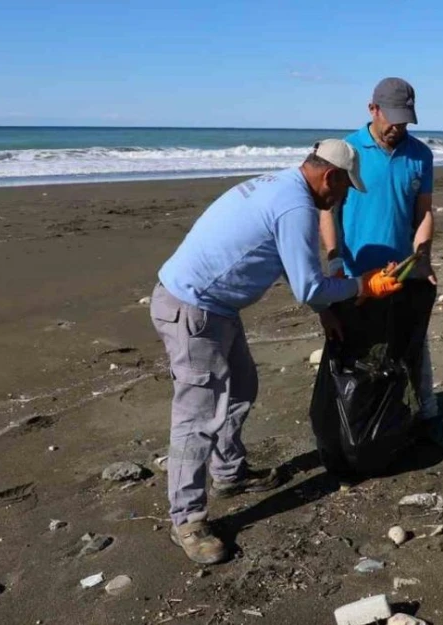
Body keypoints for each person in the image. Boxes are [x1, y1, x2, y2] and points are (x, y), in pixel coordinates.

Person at [151, 139, 404, 565]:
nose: (341, 199)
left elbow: (291, 262)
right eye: (343, 190)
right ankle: (187, 519)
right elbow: (306, 284)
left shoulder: (281, 186)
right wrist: (363, 285)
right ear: (330, 177)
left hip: (215, 306)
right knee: (197, 418)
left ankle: (229, 473)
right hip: (193, 311)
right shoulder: (296, 206)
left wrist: (324, 311)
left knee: (242, 387)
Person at [319, 77, 443, 456]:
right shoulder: (347, 150)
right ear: (373, 109)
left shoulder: (420, 155)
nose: (397, 128)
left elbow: (424, 212)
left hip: (400, 273)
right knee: (352, 356)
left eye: (405, 121)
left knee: (413, 349)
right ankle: (353, 428)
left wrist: (423, 257)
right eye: (392, 120)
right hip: (354, 278)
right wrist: (335, 261)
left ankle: (427, 416)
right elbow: (328, 211)